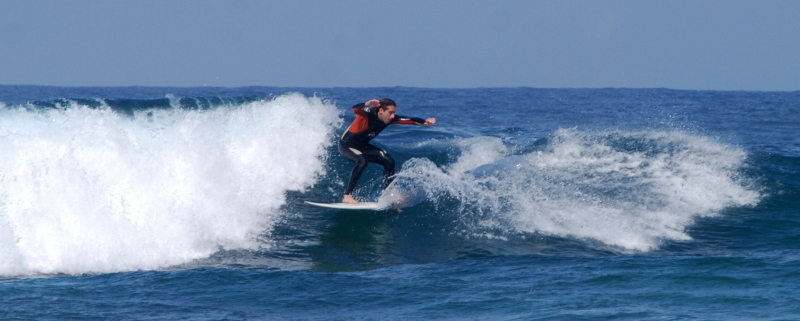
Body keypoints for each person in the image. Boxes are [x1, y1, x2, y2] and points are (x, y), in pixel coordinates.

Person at [338, 98, 435, 203]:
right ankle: (347, 196)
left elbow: (409, 120)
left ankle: (390, 194)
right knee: (362, 161)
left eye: (394, 112)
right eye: (390, 112)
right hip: (346, 145)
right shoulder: (368, 114)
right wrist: (367, 104)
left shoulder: (389, 119)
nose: (393, 115)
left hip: (362, 145)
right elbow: (355, 109)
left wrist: (425, 122)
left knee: (389, 161)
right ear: (381, 111)